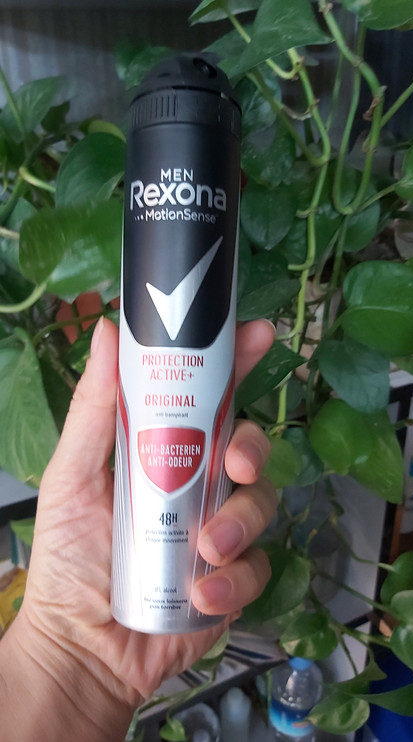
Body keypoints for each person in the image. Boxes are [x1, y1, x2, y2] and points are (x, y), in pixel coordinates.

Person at [0, 317, 277, 741]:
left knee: (232, 458)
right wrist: (64, 654)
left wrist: (75, 670)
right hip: (123, 607)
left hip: (172, 607)